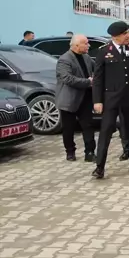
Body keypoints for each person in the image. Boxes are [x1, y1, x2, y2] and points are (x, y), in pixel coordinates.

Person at [91, 21, 129, 179]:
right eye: (125, 34)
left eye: (128, 33)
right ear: (116, 36)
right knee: (106, 132)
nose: (128, 36)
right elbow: (98, 79)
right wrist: (97, 101)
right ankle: (99, 167)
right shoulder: (103, 52)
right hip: (111, 99)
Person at [55, 34, 96, 162]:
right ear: (77, 45)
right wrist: (88, 82)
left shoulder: (86, 57)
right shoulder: (64, 60)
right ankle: (70, 152)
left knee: (88, 126)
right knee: (69, 127)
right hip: (69, 99)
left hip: (85, 98)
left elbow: (97, 68)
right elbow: (68, 79)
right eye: (86, 43)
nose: (88, 45)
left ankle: (89, 152)